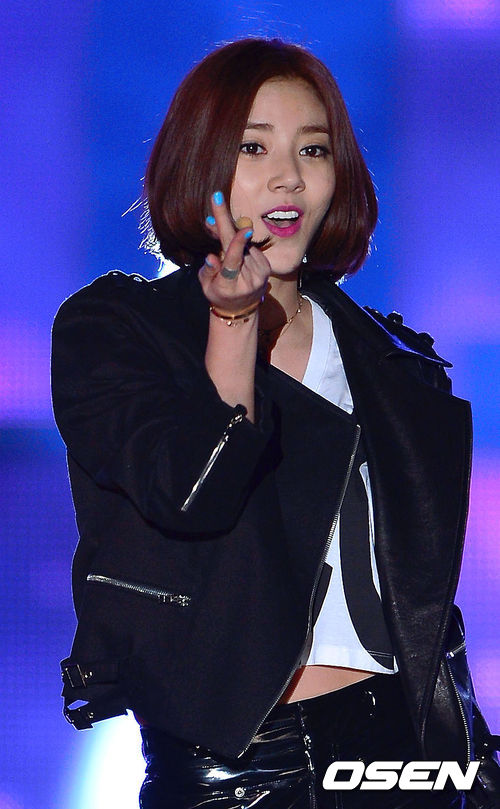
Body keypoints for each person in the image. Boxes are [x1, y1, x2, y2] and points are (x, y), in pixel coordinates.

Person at [51, 38, 499, 809]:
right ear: (201, 160)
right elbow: (192, 493)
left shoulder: (391, 362)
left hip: (402, 752)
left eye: (313, 149)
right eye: (254, 147)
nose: (288, 176)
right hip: (233, 765)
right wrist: (232, 323)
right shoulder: (123, 330)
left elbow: (422, 604)